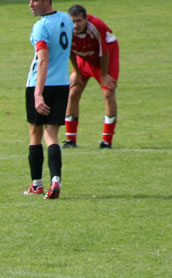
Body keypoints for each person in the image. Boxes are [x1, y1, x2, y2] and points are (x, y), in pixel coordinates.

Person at [23, 0, 73, 200]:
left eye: (34, 0)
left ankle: (36, 185)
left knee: (35, 132)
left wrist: (38, 93)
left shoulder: (41, 26)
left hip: (40, 84)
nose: (30, 4)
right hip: (61, 84)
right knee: (51, 134)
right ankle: (56, 179)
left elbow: (43, 59)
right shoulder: (66, 20)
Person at [64, 4, 120, 149]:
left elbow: (104, 52)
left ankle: (107, 141)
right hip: (84, 57)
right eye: (73, 21)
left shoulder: (96, 27)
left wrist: (104, 75)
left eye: (78, 21)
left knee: (108, 92)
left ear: (85, 20)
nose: (75, 25)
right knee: (73, 93)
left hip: (105, 57)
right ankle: (70, 140)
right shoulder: (66, 28)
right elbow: (69, 51)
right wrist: (76, 71)